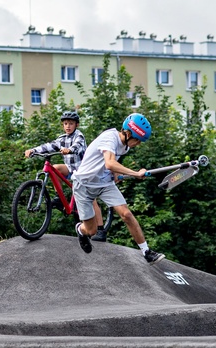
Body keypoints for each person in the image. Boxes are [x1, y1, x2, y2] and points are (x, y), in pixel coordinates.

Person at [71, 113, 165, 264]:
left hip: (105, 184)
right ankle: (80, 230)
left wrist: (115, 174)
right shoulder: (110, 138)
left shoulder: (125, 146)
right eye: (137, 140)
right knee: (91, 231)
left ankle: (147, 252)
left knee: (126, 214)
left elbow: (110, 164)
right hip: (83, 185)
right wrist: (135, 173)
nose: (138, 144)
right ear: (127, 133)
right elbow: (109, 163)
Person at [23, 110, 106, 240]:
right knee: (55, 168)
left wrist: (69, 150)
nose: (68, 126)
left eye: (71, 123)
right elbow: (49, 146)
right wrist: (33, 150)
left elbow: (77, 146)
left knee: (91, 199)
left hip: (84, 171)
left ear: (76, 125)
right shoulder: (62, 139)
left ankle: (100, 230)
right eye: (65, 123)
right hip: (71, 169)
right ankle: (59, 198)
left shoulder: (79, 136)